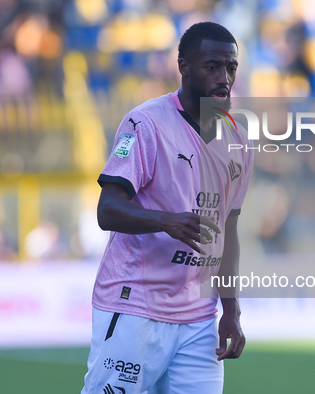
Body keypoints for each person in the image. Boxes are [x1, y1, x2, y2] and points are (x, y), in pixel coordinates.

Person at [81, 22, 253, 394]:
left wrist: (232, 309)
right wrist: (166, 222)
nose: (224, 77)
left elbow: (229, 230)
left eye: (231, 67)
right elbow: (107, 209)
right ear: (184, 66)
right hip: (136, 308)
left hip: (198, 319)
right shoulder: (146, 123)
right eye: (212, 66)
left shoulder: (238, 138)